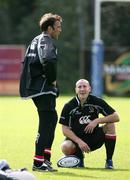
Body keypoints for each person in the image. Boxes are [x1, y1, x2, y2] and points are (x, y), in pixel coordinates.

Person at [19, 13, 62, 172]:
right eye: (57, 27)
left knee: (51, 119)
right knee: (46, 122)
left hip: (37, 87)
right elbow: (49, 60)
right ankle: (38, 163)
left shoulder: (35, 40)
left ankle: (45, 159)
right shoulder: (45, 40)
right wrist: (52, 81)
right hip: (42, 88)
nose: (60, 30)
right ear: (49, 28)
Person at [58, 79, 120, 169]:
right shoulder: (69, 105)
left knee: (110, 125)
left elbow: (116, 117)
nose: (82, 89)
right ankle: (79, 160)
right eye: (79, 87)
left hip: (94, 137)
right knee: (65, 146)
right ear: (76, 89)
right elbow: (65, 129)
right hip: (77, 141)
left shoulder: (97, 101)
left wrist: (97, 121)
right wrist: (79, 141)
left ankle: (109, 161)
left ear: (89, 89)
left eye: (84, 86)